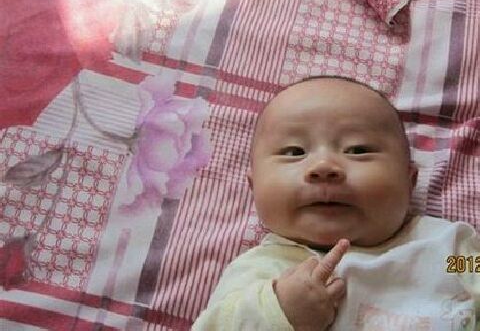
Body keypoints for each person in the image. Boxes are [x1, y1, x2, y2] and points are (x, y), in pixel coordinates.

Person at [192, 76, 480, 330]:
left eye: (358, 149)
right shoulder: (257, 273)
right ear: (253, 186)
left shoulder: (448, 247)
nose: (324, 166)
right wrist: (278, 313)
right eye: (294, 152)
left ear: (409, 181)